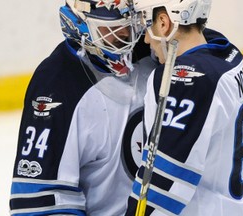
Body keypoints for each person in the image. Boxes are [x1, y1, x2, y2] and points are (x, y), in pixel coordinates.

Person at [9, 0, 156, 215]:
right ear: (80, 21)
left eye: (131, 21)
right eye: (113, 26)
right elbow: (40, 202)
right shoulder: (56, 85)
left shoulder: (153, 51)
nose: (126, 33)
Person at [126, 0, 243, 215]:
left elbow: (163, 182)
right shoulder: (226, 54)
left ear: (163, 22)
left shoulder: (186, 79)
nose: (147, 39)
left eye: (146, 23)